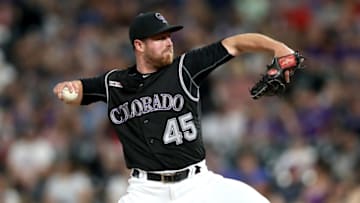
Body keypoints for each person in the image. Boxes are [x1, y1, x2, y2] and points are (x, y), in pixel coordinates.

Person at [53, 11, 296, 203]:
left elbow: (235, 44)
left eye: (169, 37)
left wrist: (277, 47)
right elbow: (78, 89)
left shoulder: (184, 68)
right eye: (159, 38)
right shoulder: (115, 83)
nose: (168, 42)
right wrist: (67, 89)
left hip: (198, 185)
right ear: (139, 45)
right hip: (146, 191)